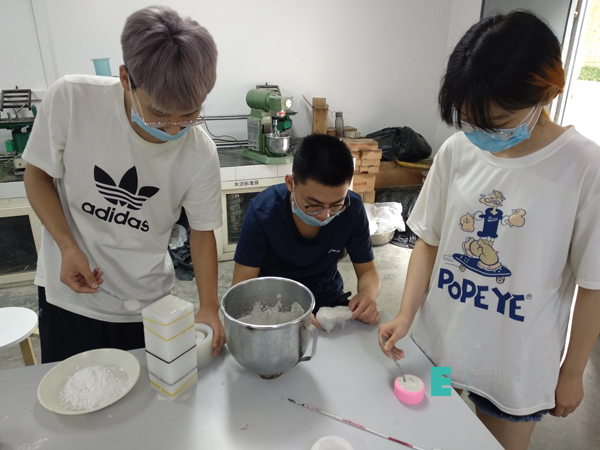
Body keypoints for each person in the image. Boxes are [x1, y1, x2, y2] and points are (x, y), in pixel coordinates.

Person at [378, 10, 600, 450]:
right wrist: (405, 314)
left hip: (516, 367)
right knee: (436, 435)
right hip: (444, 349)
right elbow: (429, 240)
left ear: (546, 94)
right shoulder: (457, 151)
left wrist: (572, 372)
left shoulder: (584, 168)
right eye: (468, 119)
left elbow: (593, 284)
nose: (479, 133)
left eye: (495, 122)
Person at [23, 6, 225, 363]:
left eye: (189, 114)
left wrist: (208, 305)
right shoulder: (72, 99)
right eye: (158, 113)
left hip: (148, 304)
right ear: (125, 78)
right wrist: (67, 245)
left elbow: (201, 232)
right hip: (72, 295)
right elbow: (37, 176)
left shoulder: (200, 153)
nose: (173, 130)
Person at [232, 134, 381, 326]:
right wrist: (285, 316)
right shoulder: (263, 212)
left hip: (328, 303)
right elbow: (241, 289)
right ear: (290, 184)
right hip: (274, 306)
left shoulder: (352, 209)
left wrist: (368, 295)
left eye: (336, 204)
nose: (325, 215)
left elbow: (367, 270)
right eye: (314, 205)